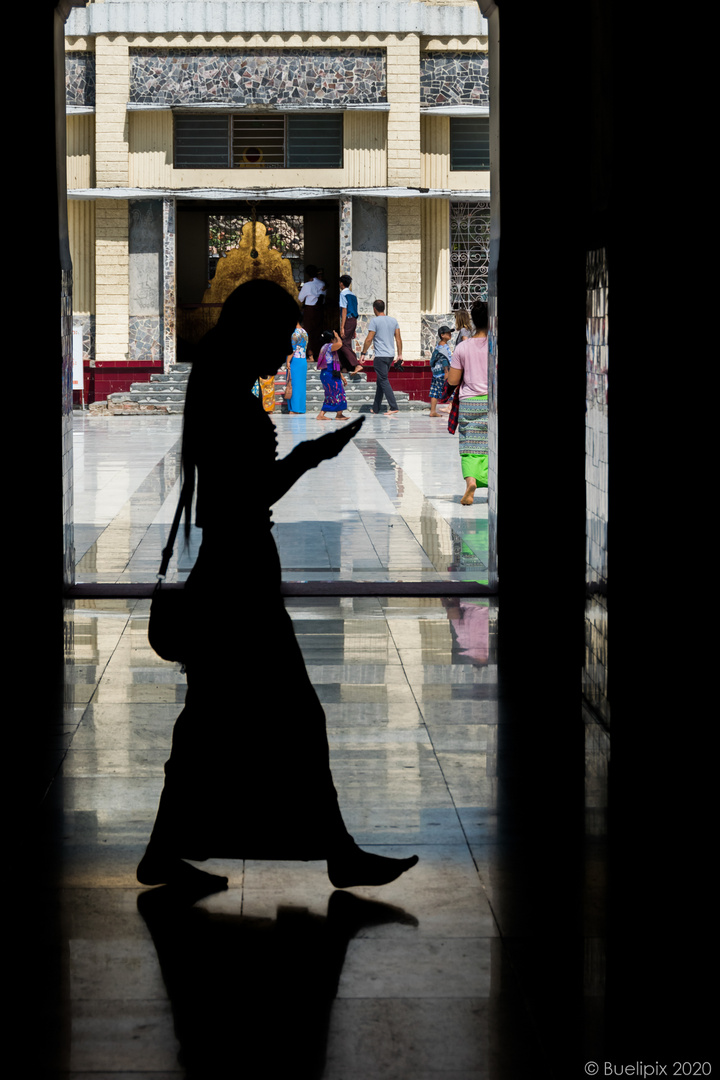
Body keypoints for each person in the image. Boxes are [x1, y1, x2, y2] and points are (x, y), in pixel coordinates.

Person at [138, 279, 418, 892]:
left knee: (208, 723)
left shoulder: (222, 385)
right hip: (238, 577)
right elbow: (246, 494)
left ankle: (167, 852)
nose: (285, 348)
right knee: (292, 716)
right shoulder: (226, 394)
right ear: (254, 331)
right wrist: (313, 456)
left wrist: (310, 455)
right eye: (280, 335)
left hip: (233, 569)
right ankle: (337, 853)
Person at [446, 299, 489, 505]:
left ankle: (471, 482)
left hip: (469, 402)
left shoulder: (463, 347)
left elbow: (453, 380)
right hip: (492, 403)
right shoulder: (495, 344)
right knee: (490, 444)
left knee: (469, 446)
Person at [360, 300, 403, 416]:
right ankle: (376, 408)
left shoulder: (375, 321)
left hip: (380, 356)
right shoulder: (393, 321)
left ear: (374, 309)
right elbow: (398, 339)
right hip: (390, 356)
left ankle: (393, 406)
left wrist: (363, 353)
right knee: (380, 381)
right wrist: (400, 355)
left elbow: (369, 339)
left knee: (383, 380)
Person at [316, 329, 351, 421]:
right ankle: (325, 414)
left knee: (332, 394)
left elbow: (333, 365)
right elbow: (340, 344)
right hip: (329, 374)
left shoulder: (324, 347)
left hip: (329, 373)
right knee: (338, 393)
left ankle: (337, 414)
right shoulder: (329, 346)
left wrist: (342, 377)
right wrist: (337, 336)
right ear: (331, 339)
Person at [298, 264, 326, 360]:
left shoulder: (307, 285)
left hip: (309, 309)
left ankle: (310, 354)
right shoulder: (322, 284)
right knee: (318, 331)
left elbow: (300, 298)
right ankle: (317, 353)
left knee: (308, 331)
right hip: (320, 309)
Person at [338, 274, 363, 375]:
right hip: (354, 320)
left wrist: (342, 327)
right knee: (347, 343)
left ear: (342, 283)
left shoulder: (343, 294)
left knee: (342, 343)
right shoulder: (353, 295)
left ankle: (356, 364)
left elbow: (344, 310)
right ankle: (345, 366)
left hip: (348, 320)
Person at [428, 325, 453, 417]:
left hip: (436, 373)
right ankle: (452, 408)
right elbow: (444, 360)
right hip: (443, 373)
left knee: (434, 392)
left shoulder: (438, 346)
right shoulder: (443, 348)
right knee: (452, 390)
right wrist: (447, 373)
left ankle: (433, 411)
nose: (450, 334)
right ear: (442, 335)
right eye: (448, 333)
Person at [286, 319, 310, 414]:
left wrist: (288, 361)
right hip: (302, 360)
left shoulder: (294, 333)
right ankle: (300, 408)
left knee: (294, 384)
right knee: (301, 385)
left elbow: (292, 349)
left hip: (295, 360)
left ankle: (294, 409)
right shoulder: (305, 332)